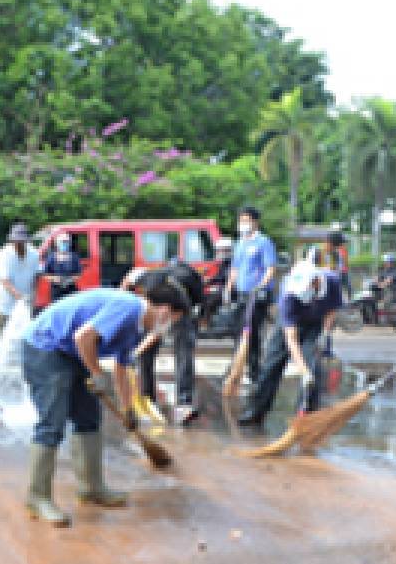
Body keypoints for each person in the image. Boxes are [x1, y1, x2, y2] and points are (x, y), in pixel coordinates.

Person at [21, 285, 189, 526]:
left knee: (89, 418)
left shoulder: (138, 327)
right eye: (174, 318)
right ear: (163, 309)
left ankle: (91, 488)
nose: (171, 325)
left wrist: (128, 408)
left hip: (73, 352)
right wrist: (97, 373)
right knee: (52, 423)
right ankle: (37, 498)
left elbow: (122, 368)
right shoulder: (128, 308)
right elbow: (83, 336)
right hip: (46, 347)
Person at [233, 260, 344, 426]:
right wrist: (302, 371)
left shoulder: (332, 281)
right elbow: (291, 340)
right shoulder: (288, 292)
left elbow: (331, 310)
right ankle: (256, 411)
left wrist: (325, 334)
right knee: (271, 364)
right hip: (289, 323)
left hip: (315, 324)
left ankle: (306, 417)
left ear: (316, 281)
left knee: (313, 367)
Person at [121, 260, 205, 424]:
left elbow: (156, 334)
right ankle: (150, 398)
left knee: (182, 353)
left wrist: (134, 352)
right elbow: (127, 283)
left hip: (183, 307)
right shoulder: (145, 279)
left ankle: (182, 404)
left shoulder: (158, 293)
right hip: (172, 302)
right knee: (151, 353)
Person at [224, 207, 277, 382]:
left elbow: (271, 268)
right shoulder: (240, 242)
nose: (243, 224)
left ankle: (255, 372)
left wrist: (261, 285)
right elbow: (235, 268)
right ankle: (236, 368)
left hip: (257, 295)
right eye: (241, 221)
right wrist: (228, 287)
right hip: (241, 293)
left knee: (252, 333)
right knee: (239, 331)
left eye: (246, 220)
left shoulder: (263, 242)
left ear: (255, 222)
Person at [0, 223, 40, 331]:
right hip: (5, 303)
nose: (17, 243)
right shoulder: (4, 254)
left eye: (20, 241)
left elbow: (37, 276)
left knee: (23, 336)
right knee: (2, 337)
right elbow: (5, 281)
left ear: (25, 241)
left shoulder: (34, 254)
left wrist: (33, 295)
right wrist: (20, 297)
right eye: (15, 241)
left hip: (25, 304)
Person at [41, 231, 83, 303]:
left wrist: (69, 280)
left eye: (66, 241)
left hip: (71, 290)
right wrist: (55, 279)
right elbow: (46, 274)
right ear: (57, 243)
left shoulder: (74, 257)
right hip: (56, 291)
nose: (64, 244)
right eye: (62, 241)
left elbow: (79, 274)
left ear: (69, 243)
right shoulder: (51, 258)